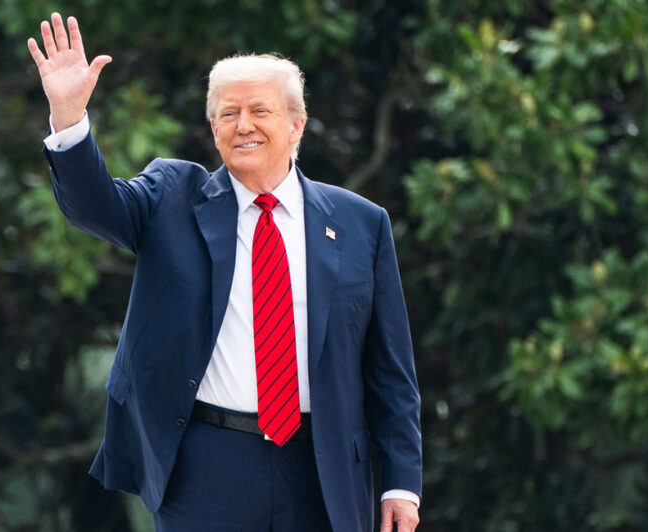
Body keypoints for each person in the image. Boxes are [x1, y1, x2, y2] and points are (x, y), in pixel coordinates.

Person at [27, 13, 421, 532]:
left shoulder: (360, 224)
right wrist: (69, 118)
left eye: (260, 110)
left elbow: (391, 371)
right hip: (206, 467)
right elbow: (93, 208)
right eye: (228, 113)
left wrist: (400, 483)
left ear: (296, 125)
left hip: (322, 468)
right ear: (213, 129)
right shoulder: (171, 195)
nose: (244, 125)